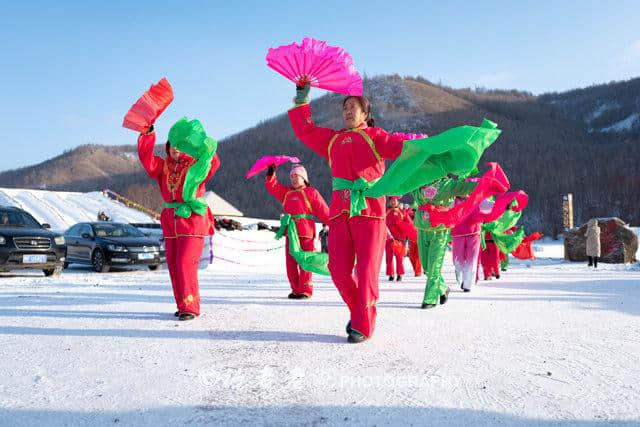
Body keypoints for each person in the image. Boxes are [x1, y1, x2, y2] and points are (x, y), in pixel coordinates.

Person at [288, 82, 406, 343]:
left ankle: (363, 325)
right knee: (338, 269)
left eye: (354, 107)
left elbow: (403, 148)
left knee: (366, 272)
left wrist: (427, 149)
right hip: (340, 212)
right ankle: (359, 310)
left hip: (371, 212)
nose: (348, 111)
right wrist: (302, 96)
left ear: (365, 114)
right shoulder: (333, 140)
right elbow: (305, 130)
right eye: (345, 107)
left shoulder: (376, 136)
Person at [137, 119, 220, 321]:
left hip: (192, 220)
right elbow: (147, 160)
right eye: (173, 144)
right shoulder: (163, 166)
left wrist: (198, 141)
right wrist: (148, 132)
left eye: (180, 144)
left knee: (185, 262)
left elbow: (214, 161)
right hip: (171, 220)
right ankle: (183, 304)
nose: (175, 148)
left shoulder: (197, 165)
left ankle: (191, 306)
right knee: (174, 265)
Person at [265, 163, 329, 299]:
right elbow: (273, 187)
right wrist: (271, 173)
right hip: (291, 232)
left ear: (304, 178)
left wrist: (335, 224)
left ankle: (305, 290)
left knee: (305, 261)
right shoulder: (287, 193)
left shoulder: (312, 192)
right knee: (291, 262)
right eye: (292, 176)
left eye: (296, 176)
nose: (293, 178)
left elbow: (324, 211)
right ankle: (295, 289)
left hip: (306, 231)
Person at [385, 196, 407, 282]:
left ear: (398, 201)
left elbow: (409, 224)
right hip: (388, 238)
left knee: (399, 258)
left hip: (400, 239)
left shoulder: (402, 212)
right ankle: (390, 274)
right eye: (392, 200)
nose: (393, 202)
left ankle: (399, 274)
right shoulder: (385, 211)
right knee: (388, 258)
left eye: (395, 200)